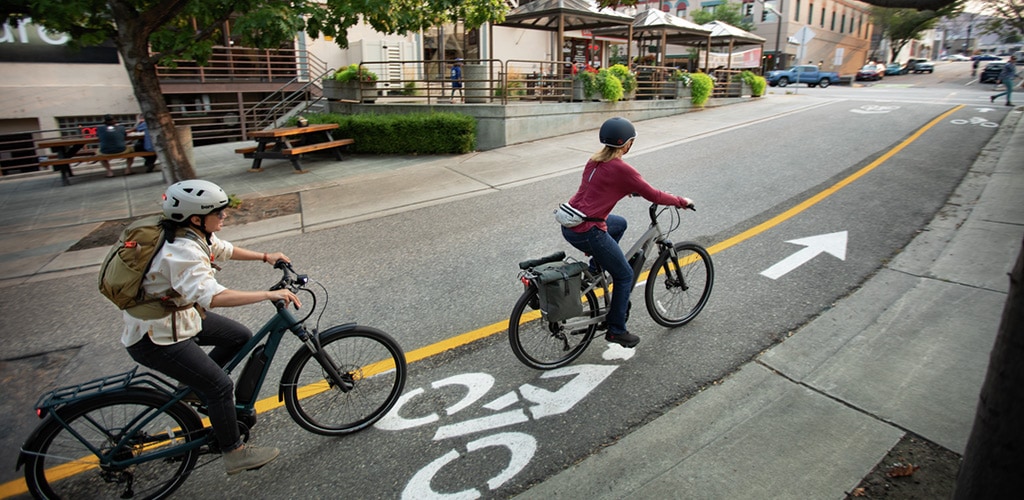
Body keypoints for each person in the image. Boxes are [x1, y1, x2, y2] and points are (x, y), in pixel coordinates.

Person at [122, 179, 301, 475]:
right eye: (219, 213)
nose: (225, 216)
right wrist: (270, 294)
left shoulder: (190, 234)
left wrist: (266, 257)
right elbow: (215, 297)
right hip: (155, 338)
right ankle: (234, 452)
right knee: (219, 386)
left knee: (239, 337)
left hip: (176, 320)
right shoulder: (182, 252)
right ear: (197, 218)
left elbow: (222, 249)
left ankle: (193, 388)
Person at [560, 117, 694, 348]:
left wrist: (633, 192)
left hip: (571, 224)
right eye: (631, 141)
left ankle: (595, 269)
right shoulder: (622, 168)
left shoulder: (594, 161)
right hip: (588, 230)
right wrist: (681, 201)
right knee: (624, 276)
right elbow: (655, 195)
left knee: (619, 223)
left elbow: (601, 188)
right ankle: (616, 330)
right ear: (626, 144)